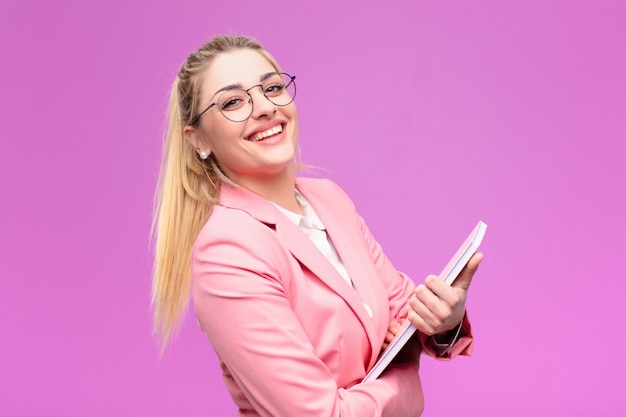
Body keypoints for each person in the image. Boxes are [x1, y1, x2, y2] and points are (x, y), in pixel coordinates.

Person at [151, 35, 483, 417]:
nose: (264, 108)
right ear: (198, 141)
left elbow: (401, 310)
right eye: (233, 102)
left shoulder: (328, 199)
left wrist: (444, 323)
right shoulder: (227, 251)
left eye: (272, 87)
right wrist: (406, 374)